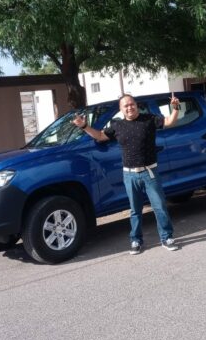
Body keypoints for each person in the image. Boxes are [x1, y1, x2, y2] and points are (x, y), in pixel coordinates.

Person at [72, 92, 181, 254]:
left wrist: (176, 108)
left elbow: (170, 122)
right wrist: (83, 126)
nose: (129, 107)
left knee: (159, 206)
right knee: (135, 210)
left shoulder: (149, 119)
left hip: (149, 172)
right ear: (121, 109)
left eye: (132, 104)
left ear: (136, 105)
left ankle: (166, 237)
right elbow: (100, 136)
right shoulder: (117, 126)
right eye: (126, 106)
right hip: (129, 175)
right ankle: (136, 240)